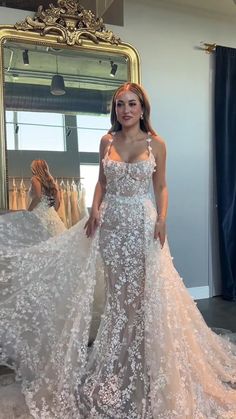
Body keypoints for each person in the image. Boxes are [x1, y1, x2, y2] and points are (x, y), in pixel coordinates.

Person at [0, 83, 236, 419]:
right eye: (120, 105)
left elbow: (162, 185)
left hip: (142, 226)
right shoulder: (106, 141)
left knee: (145, 297)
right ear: (116, 109)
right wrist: (95, 208)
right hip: (111, 227)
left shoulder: (156, 144)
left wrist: (163, 218)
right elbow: (102, 181)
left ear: (143, 108)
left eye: (132, 104)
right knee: (118, 298)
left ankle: (150, 364)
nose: (125, 110)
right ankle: (119, 364)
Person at [0, 159, 66, 249]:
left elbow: (38, 197)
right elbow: (58, 201)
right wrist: (53, 212)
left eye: (32, 167)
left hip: (39, 213)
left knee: (37, 243)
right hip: (51, 214)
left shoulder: (35, 179)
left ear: (35, 168)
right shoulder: (52, 181)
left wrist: (29, 210)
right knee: (55, 242)